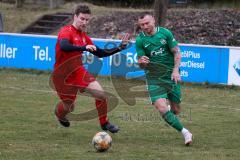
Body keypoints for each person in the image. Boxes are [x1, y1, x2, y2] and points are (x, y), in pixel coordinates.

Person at [52, 5, 130, 133]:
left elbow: (100, 53)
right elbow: (64, 46)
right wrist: (83, 48)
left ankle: (104, 123)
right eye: (82, 19)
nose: (84, 22)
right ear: (75, 17)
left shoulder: (84, 36)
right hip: (62, 76)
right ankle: (60, 115)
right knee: (69, 107)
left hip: (78, 72)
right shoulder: (66, 31)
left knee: (100, 94)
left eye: (87, 20)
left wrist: (119, 47)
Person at [135, 13, 193, 145]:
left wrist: (175, 70)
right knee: (161, 108)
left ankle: (169, 111)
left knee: (176, 110)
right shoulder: (140, 40)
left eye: (147, 23)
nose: (145, 26)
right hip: (154, 77)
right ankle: (185, 132)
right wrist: (141, 61)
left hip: (171, 75)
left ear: (153, 20)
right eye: (142, 25)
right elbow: (141, 63)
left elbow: (176, 52)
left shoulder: (165, 33)